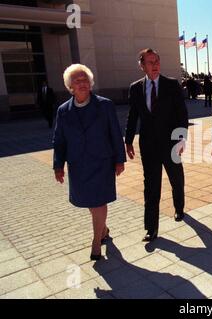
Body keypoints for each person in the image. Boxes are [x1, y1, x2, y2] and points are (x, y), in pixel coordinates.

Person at [53, 64, 126, 260]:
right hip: (78, 164)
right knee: (89, 202)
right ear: (70, 86)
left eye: (85, 80)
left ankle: (96, 242)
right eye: (77, 81)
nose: (82, 83)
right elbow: (59, 139)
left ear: (91, 83)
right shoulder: (63, 111)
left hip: (102, 162)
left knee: (98, 201)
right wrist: (58, 165)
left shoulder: (105, 105)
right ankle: (103, 229)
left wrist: (120, 160)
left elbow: (115, 134)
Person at [125, 48, 188, 242]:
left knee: (176, 178)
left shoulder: (172, 85)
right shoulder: (135, 88)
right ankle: (151, 228)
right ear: (142, 66)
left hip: (171, 143)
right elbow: (132, 116)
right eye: (150, 62)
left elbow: (182, 113)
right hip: (149, 145)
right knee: (151, 185)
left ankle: (179, 208)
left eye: (157, 61)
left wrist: (181, 138)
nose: (155, 65)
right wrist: (128, 140)